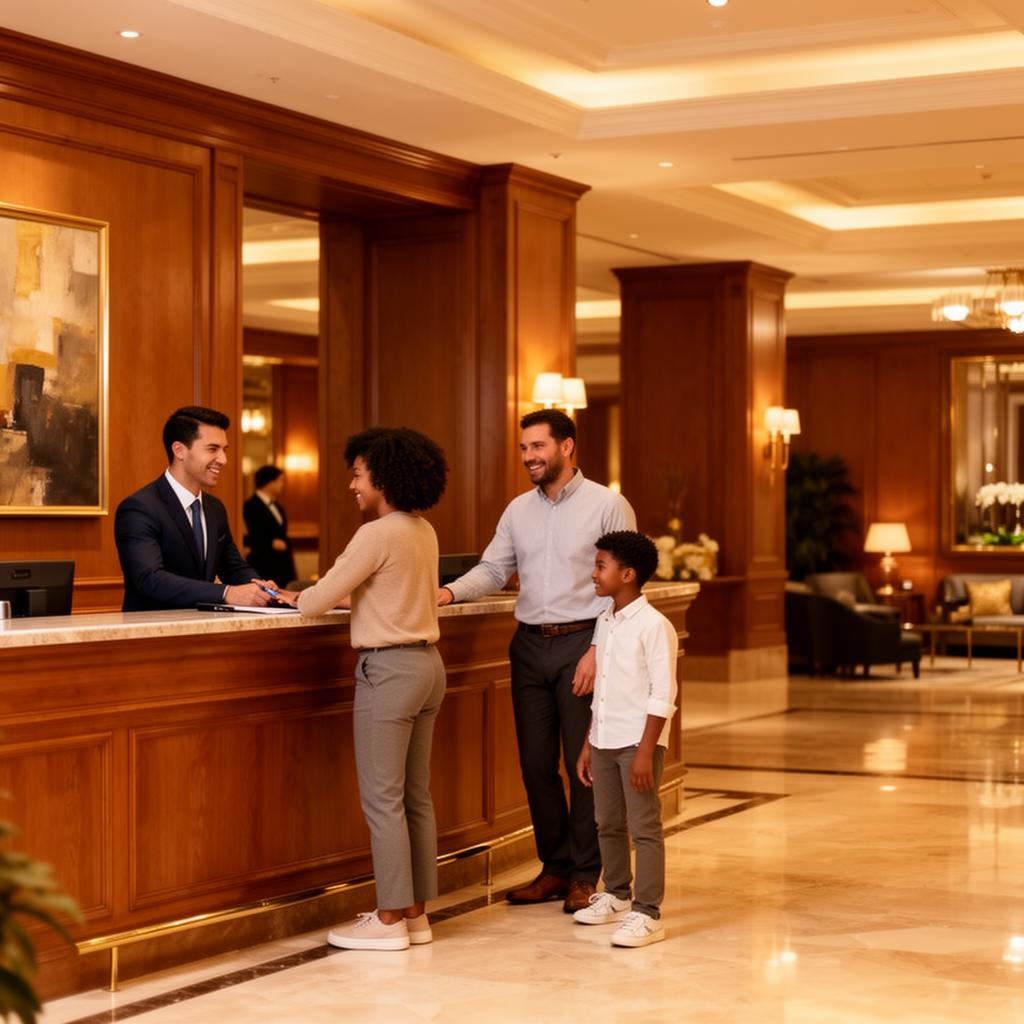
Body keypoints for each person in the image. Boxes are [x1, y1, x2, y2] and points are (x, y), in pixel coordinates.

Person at [439, 409, 635, 914]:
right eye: (524, 448)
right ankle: (555, 866)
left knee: (583, 765)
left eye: (538, 447)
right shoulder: (517, 510)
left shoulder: (608, 505)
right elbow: (493, 569)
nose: (529, 456)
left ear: (566, 447)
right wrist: (447, 593)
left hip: (583, 644)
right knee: (534, 764)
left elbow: (625, 585)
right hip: (527, 646)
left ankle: (586, 874)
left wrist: (599, 649)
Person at [297, 426, 449, 951]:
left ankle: (387, 921)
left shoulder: (375, 534)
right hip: (427, 667)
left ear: (382, 477)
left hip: (388, 672)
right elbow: (389, 590)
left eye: (358, 475)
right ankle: (415, 915)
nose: (352, 485)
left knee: (383, 801)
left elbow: (312, 603)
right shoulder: (423, 530)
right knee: (415, 797)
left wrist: (299, 595)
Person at [573, 531, 678, 948]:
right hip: (604, 738)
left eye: (601, 566)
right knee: (607, 822)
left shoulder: (654, 626)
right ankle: (616, 894)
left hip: (638, 741)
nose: (594, 574)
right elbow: (601, 691)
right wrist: (588, 742)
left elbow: (663, 693)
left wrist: (646, 751)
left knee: (644, 827)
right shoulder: (606, 621)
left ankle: (647, 912)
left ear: (628, 574)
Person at [115, 406, 283, 611]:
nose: (223, 460)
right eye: (212, 449)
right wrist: (225, 593)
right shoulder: (139, 508)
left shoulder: (215, 508)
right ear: (179, 450)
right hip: (152, 627)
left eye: (224, 450)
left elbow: (233, 567)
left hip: (204, 625)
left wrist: (261, 587)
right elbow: (150, 579)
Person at [243, 465, 297, 585]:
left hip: (282, 563)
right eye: (280, 480)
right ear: (270, 482)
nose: (282, 484)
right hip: (264, 563)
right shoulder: (251, 505)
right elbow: (253, 533)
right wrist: (270, 543)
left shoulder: (276, 504)